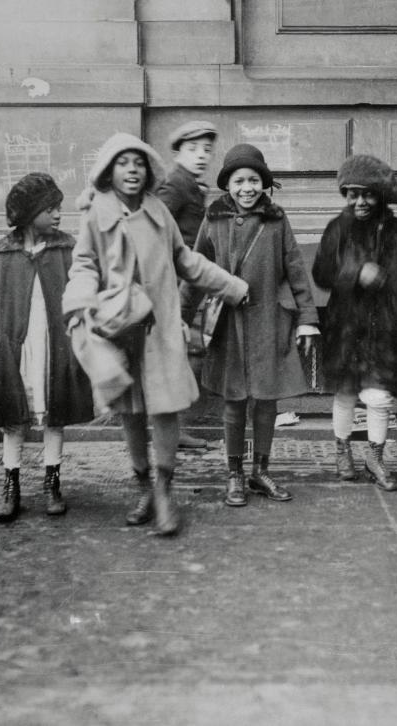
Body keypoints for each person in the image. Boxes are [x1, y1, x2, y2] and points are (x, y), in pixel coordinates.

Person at [63, 133, 248, 537]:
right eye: (123, 163)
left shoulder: (158, 212)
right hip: (118, 327)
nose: (131, 170)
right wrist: (78, 301)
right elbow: (83, 265)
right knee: (130, 411)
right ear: (109, 171)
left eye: (138, 163)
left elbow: (186, 260)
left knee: (165, 408)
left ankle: (165, 491)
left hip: (160, 329)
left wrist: (231, 286)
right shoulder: (96, 214)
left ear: (148, 170)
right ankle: (143, 488)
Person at [183, 143, 319, 506]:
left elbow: (295, 270)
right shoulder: (213, 219)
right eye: (240, 180)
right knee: (234, 402)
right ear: (228, 185)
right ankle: (234, 474)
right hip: (228, 325)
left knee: (266, 401)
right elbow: (195, 269)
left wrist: (307, 319)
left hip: (269, 322)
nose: (247, 188)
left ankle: (261, 471)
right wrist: (180, 317)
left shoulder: (276, 220)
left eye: (254, 180)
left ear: (264, 183)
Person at [0, 173, 93, 523]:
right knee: (13, 418)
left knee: (54, 416)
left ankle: (52, 482)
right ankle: (10, 485)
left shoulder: (66, 249)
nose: (58, 214)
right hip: (17, 352)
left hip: (55, 348)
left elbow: (84, 295)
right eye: (50, 209)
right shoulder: (4, 252)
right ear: (29, 213)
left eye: (58, 208)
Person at [312, 154, 397, 492]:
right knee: (344, 394)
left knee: (379, 397)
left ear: (382, 196)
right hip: (346, 327)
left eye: (367, 194)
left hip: (386, 328)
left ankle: (376, 457)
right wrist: (356, 272)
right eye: (352, 194)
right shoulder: (337, 229)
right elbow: (321, 273)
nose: (359, 202)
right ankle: (342, 451)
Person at [157, 120, 220, 450]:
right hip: (176, 285)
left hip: (193, 284)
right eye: (193, 149)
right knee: (180, 355)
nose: (201, 157)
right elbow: (154, 230)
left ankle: (173, 427)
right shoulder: (175, 185)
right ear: (178, 152)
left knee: (189, 354)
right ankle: (167, 429)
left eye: (207, 151)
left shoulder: (193, 186)